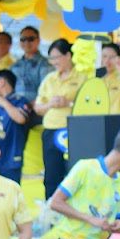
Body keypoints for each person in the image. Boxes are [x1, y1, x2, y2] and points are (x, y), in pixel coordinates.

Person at [35, 39, 85, 199]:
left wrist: (68, 103)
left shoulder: (82, 77)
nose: (54, 62)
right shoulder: (49, 79)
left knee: (74, 173)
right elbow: (38, 108)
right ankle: (51, 207)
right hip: (51, 131)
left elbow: (88, 104)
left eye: (57, 57)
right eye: (51, 58)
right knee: (51, 174)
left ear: (68, 55)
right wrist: (50, 104)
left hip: (73, 131)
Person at [11, 27, 52, 107]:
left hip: (37, 108)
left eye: (31, 39)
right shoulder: (15, 65)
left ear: (38, 40)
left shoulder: (45, 64)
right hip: (15, 109)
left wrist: (31, 105)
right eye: (23, 39)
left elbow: (47, 90)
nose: (26, 42)